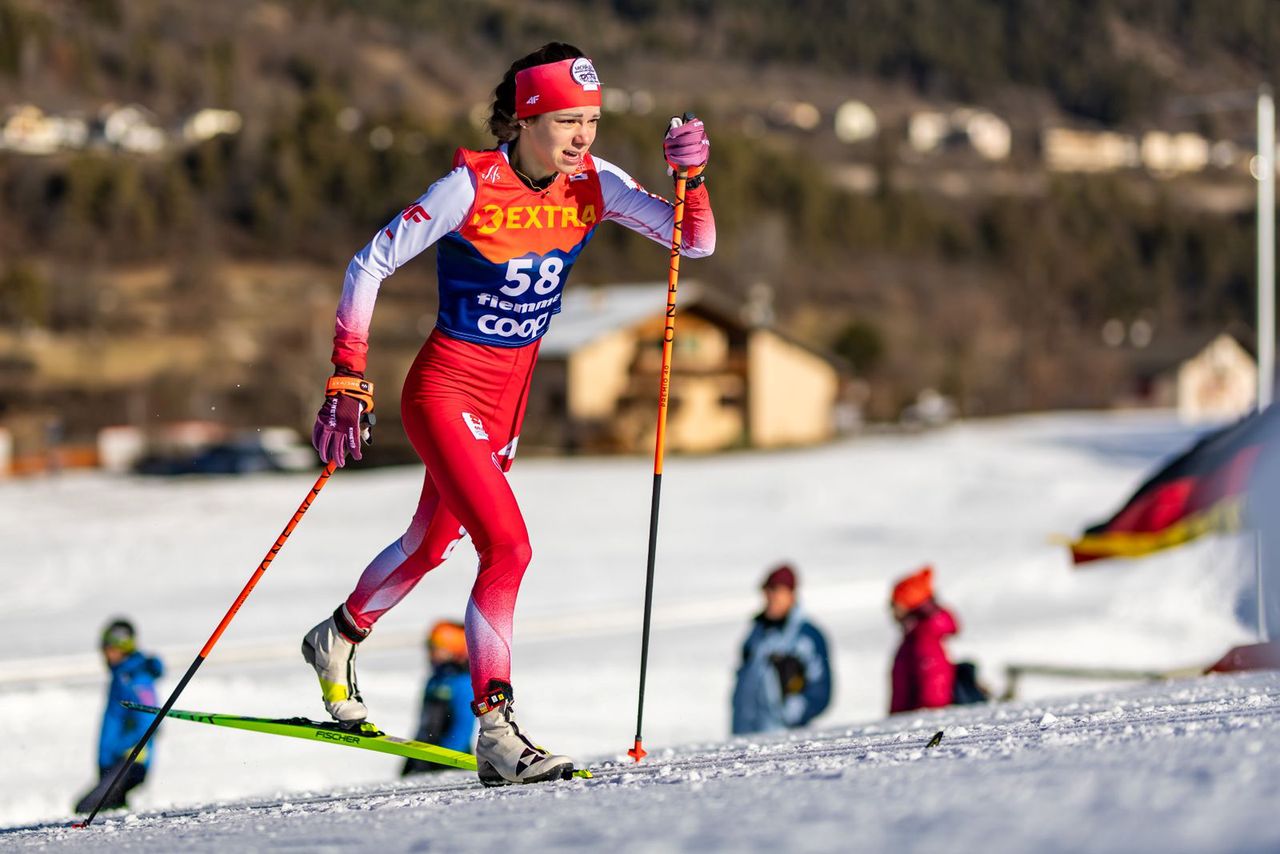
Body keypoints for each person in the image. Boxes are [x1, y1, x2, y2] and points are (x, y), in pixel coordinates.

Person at [300, 42, 715, 786]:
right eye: (565, 120)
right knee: (509, 548)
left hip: (509, 401)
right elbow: (369, 264)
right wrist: (346, 374)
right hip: (446, 389)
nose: (582, 136)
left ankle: (338, 636)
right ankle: (495, 728)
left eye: (590, 119)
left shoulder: (594, 182)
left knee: (431, 546)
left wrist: (693, 181)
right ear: (525, 118)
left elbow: (693, 241)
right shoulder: (469, 187)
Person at [74, 619, 164, 813]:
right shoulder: (120, 676)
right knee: (111, 809)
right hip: (112, 760)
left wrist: (130, 749)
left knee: (86, 808)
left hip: (129, 760)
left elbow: (149, 718)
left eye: (111, 648)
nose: (106, 654)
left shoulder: (135, 677)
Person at [731, 564, 832, 735]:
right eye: (767, 591)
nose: (770, 597)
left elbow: (820, 688)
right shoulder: (757, 633)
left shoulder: (806, 637)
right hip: (744, 737)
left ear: (791, 594)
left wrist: (791, 713)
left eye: (776, 590)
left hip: (782, 739)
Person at [889, 565, 973, 713]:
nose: (891, 610)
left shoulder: (923, 640)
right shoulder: (913, 638)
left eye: (896, 604)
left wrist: (921, 723)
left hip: (916, 726)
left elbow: (933, 693)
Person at [402, 620, 477, 776]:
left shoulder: (462, 682)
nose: (429, 654)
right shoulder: (434, 680)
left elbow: (463, 726)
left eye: (435, 649)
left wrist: (446, 758)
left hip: (451, 761)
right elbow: (424, 723)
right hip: (425, 757)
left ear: (454, 650)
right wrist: (411, 758)